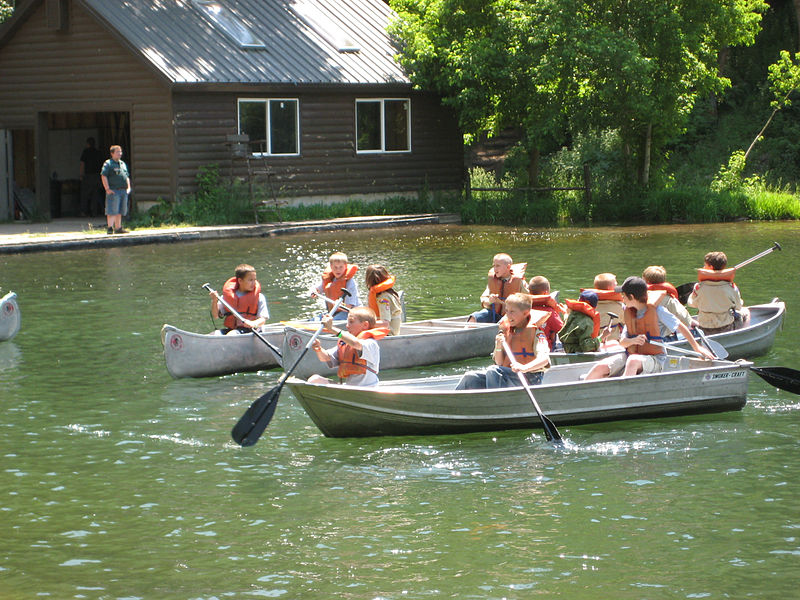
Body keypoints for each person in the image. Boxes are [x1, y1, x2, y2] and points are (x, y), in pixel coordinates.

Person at [585, 276, 715, 380]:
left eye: (623, 295)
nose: (621, 297)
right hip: (631, 354)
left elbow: (681, 326)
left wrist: (697, 347)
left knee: (633, 361)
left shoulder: (658, 311)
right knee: (601, 366)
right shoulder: (629, 312)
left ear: (631, 297)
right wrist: (633, 341)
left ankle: (623, 393)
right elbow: (623, 342)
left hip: (656, 359)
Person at [456, 293, 550, 389]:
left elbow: (544, 359)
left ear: (525, 313)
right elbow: (499, 362)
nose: (508, 315)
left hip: (528, 378)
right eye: (507, 311)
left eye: (512, 312)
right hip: (505, 376)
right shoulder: (505, 332)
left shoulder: (537, 334)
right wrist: (499, 346)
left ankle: (496, 400)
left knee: (493, 371)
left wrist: (524, 368)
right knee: (470, 377)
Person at [308, 307, 388, 386]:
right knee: (314, 380)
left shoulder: (370, 343)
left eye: (351, 322)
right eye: (347, 322)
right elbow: (325, 358)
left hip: (368, 388)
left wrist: (331, 329)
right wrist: (318, 349)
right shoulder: (346, 344)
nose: (347, 326)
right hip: (349, 387)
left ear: (365, 325)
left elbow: (355, 344)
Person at [687, 251, 749, 334]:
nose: (703, 267)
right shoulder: (731, 287)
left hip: (704, 328)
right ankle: (742, 335)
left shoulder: (698, 287)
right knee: (746, 311)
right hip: (725, 328)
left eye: (705, 265)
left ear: (711, 267)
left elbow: (691, 304)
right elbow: (738, 307)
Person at [467, 253, 528, 323]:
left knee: (502, 322)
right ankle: (465, 332)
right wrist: (490, 301)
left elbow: (526, 303)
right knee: (474, 317)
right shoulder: (493, 281)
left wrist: (502, 302)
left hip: (510, 315)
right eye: (494, 266)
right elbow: (484, 301)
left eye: (498, 266)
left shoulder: (519, 282)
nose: (495, 269)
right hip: (493, 314)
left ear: (508, 267)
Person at [210, 264, 269, 335]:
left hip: (252, 330)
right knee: (214, 334)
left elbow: (263, 319)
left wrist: (253, 323)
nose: (254, 283)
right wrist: (214, 301)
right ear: (240, 281)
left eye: (254, 280)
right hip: (232, 329)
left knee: (232, 334)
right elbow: (215, 315)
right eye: (250, 280)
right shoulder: (227, 296)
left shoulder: (259, 297)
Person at [642, 265, 696, 333]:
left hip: (640, 332)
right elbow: (685, 320)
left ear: (644, 281)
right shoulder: (668, 299)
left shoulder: (637, 297)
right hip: (660, 334)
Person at [311, 251, 360, 319]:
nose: (338, 270)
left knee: (329, 321)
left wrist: (339, 305)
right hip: (335, 312)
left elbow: (349, 307)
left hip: (351, 313)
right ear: (331, 267)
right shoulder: (330, 278)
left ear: (345, 266)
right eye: (335, 267)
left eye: (340, 267)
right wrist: (315, 292)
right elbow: (318, 289)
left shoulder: (350, 283)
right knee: (315, 319)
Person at [582, 273, 624, 341]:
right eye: (615, 284)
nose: (617, 285)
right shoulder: (619, 307)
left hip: (593, 340)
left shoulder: (588, 305)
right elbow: (625, 321)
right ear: (609, 288)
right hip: (612, 341)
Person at [528, 275, 564, 350]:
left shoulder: (522, 309)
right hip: (544, 350)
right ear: (545, 293)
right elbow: (562, 331)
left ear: (529, 293)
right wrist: (566, 314)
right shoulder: (550, 312)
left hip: (525, 350)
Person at [100, 145, 131, 234]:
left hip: (123, 190)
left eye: (120, 152)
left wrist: (129, 187)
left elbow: (126, 176)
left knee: (120, 210)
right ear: (112, 153)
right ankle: (110, 228)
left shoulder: (122, 164)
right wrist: (107, 188)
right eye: (117, 152)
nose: (120, 154)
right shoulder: (108, 163)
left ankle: (118, 228)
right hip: (114, 190)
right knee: (112, 209)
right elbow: (103, 175)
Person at [365, 264, 403, 335]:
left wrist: (364, 324)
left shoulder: (383, 298)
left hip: (389, 334)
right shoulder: (388, 293)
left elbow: (385, 323)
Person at [79, 137, 104, 217]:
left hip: (88, 176)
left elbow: (82, 164)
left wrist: (81, 174)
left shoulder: (85, 152)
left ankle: (83, 211)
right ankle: (94, 212)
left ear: (88, 144)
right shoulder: (98, 152)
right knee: (95, 194)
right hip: (96, 175)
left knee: (85, 195)